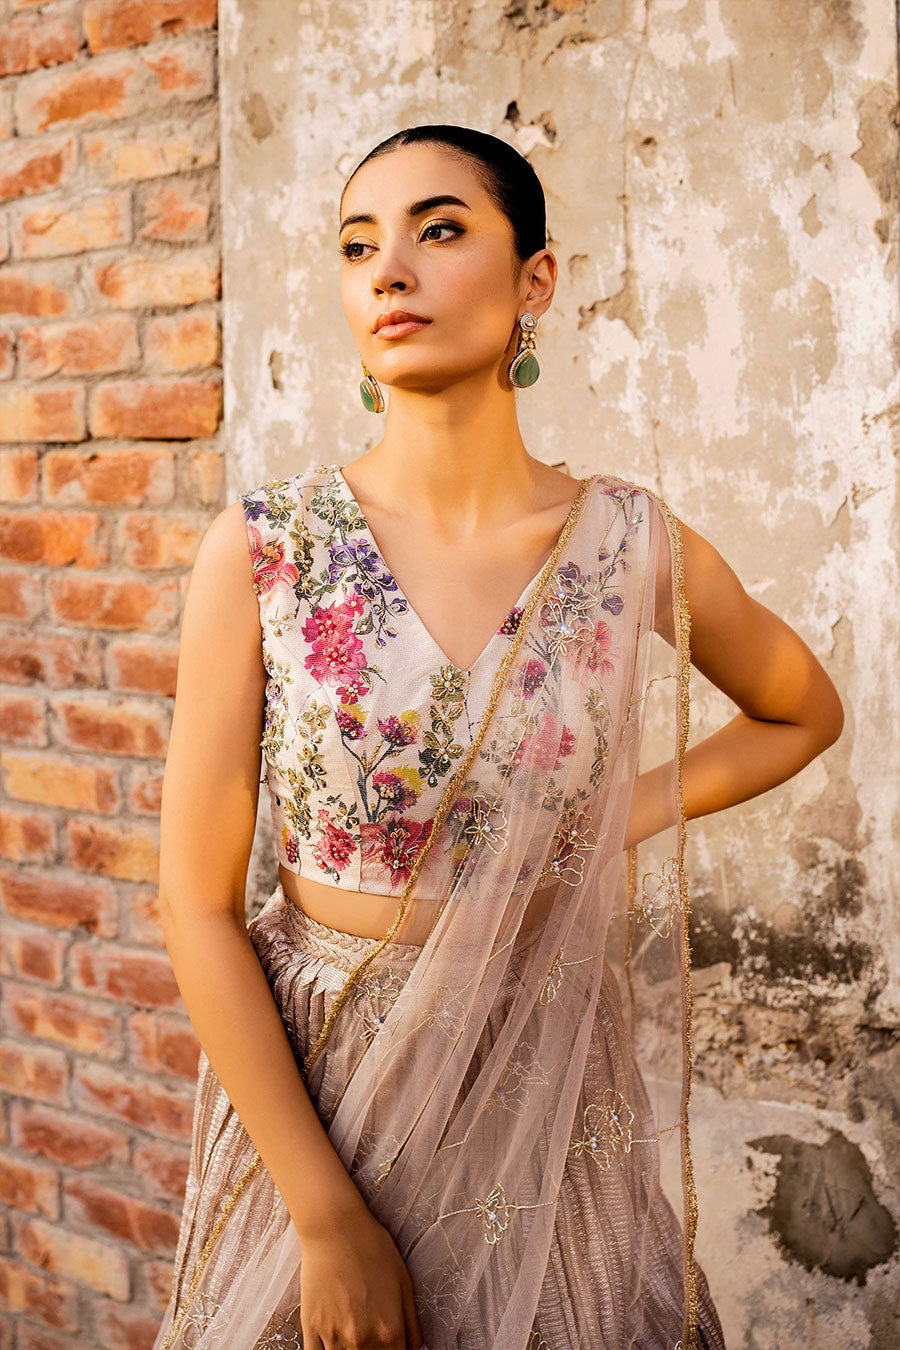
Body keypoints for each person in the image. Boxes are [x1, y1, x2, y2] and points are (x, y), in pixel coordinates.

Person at [152, 124, 844, 1349]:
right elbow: (195, 906)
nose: (390, 270)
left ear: (537, 282)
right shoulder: (271, 552)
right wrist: (324, 1219)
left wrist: (603, 817)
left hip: (540, 1078)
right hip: (325, 1090)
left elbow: (801, 710)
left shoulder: (628, 543)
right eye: (360, 245)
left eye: (440, 229)